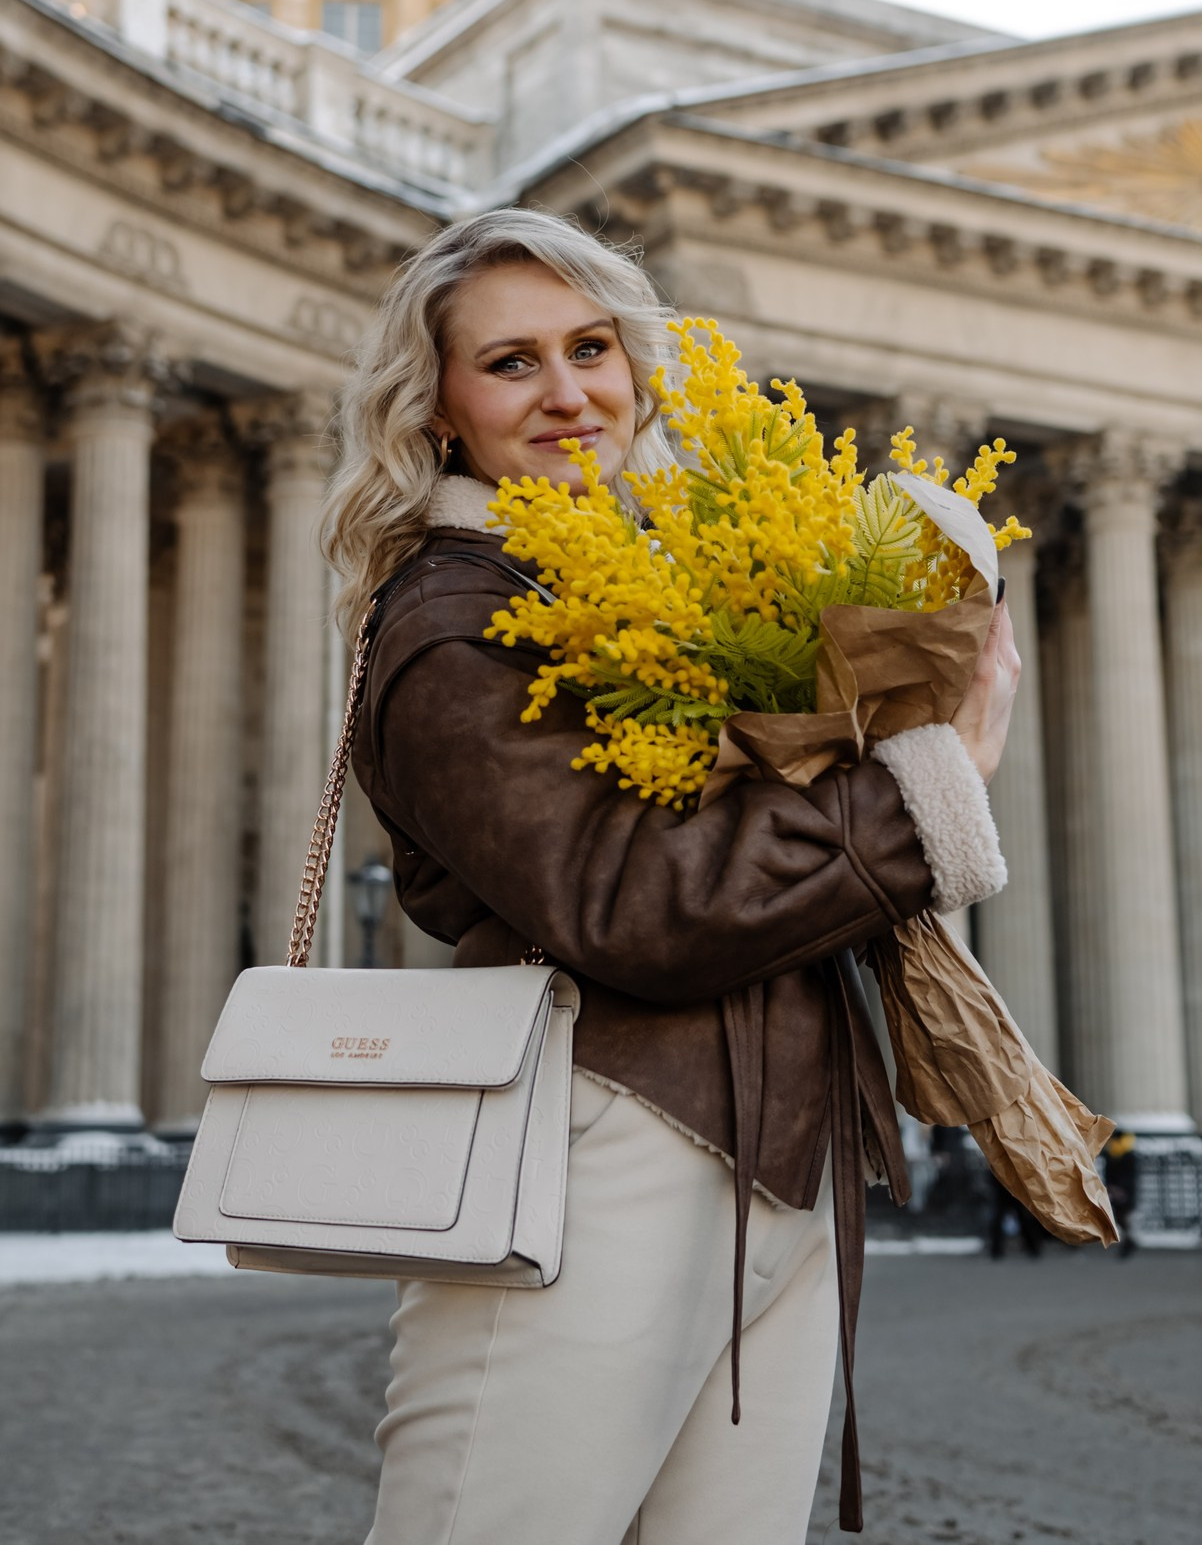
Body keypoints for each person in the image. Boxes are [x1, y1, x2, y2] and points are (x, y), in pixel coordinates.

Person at [324, 208, 1020, 1545]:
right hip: (590, 1163)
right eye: (510, 362)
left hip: (778, 1162)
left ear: (639, 369)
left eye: (590, 347)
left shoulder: (681, 590)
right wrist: (927, 785)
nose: (567, 391)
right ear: (440, 411)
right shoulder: (451, 619)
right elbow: (631, 908)